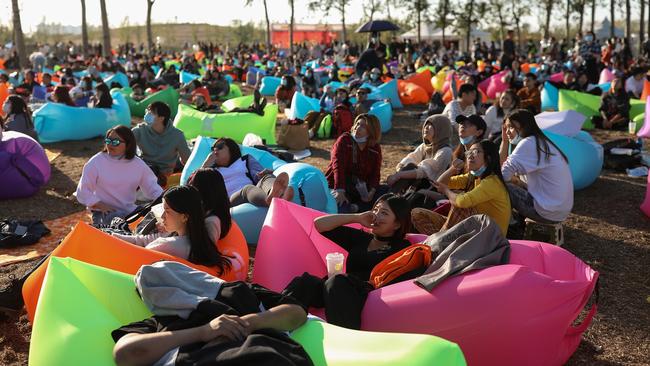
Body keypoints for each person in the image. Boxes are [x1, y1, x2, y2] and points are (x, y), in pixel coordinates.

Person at [112, 265, 310, 366]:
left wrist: (247, 322)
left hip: (266, 355)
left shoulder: (238, 291)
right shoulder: (160, 321)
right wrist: (203, 332)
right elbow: (125, 353)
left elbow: (297, 312)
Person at [282, 193, 411, 329]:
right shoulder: (362, 238)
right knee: (305, 282)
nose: (375, 215)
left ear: (397, 224)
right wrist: (357, 217)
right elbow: (319, 225)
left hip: (369, 295)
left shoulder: (403, 248)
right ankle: (273, 319)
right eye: (375, 210)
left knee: (337, 281)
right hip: (339, 289)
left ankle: (344, 339)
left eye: (383, 213)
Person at [111, 185, 233, 273]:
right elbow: (144, 240)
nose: (162, 216)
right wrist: (113, 236)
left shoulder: (168, 245)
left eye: (167, 211)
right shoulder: (198, 241)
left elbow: (132, 258)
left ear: (184, 217)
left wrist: (106, 239)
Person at [411, 140, 511, 236]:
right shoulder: (473, 177)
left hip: (490, 236)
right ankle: (442, 240)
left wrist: (446, 191)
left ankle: (440, 241)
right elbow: (440, 182)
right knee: (417, 214)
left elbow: (462, 202)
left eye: (476, 152)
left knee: (460, 205)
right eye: (468, 152)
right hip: (474, 228)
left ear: (488, 158)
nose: (470, 156)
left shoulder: (492, 182)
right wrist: (452, 169)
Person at [76, 126, 164, 226]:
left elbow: (152, 188)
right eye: (108, 141)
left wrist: (166, 202)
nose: (110, 145)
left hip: (129, 211)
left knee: (154, 219)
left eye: (115, 142)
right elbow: (82, 191)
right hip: (104, 212)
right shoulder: (96, 161)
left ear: (128, 144)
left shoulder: (138, 164)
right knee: (117, 223)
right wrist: (101, 205)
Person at [499, 109, 573, 224]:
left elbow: (502, 175)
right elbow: (505, 168)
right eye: (506, 127)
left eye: (511, 127)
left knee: (500, 186)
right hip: (559, 211)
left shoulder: (528, 143)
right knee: (515, 181)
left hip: (546, 212)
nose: (507, 131)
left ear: (524, 126)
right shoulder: (541, 141)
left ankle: (510, 225)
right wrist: (505, 141)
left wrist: (514, 181)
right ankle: (516, 221)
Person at [201, 138, 294, 207]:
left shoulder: (245, 160)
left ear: (231, 149)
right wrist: (205, 165)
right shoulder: (210, 171)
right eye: (213, 149)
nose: (215, 150)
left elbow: (258, 176)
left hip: (254, 192)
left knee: (266, 178)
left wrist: (266, 173)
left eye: (220, 146)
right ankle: (270, 201)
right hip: (230, 202)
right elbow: (194, 187)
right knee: (247, 189)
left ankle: (279, 195)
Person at [325, 114, 383, 213]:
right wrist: (340, 190)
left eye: (363, 126)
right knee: (341, 209)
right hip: (340, 186)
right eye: (357, 124)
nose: (357, 128)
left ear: (371, 131)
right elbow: (338, 166)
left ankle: (357, 207)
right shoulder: (344, 140)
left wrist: (371, 192)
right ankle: (356, 208)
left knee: (386, 193)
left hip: (360, 189)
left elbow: (375, 173)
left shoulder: (375, 148)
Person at [386, 115, 453, 195]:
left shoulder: (446, 150)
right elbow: (411, 158)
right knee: (410, 165)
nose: (426, 127)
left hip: (432, 187)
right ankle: (391, 197)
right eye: (426, 125)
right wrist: (400, 170)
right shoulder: (425, 146)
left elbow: (424, 172)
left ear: (441, 129)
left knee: (410, 168)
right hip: (418, 183)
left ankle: (389, 197)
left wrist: (399, 175)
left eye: (431, 125)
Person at [132, 101, 191, 178]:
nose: (147, 115)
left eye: (151, 113)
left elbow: (187, 160)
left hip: (165, 176)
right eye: (147, 112)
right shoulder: (139, 131)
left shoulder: (177, 135)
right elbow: (126, 149)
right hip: (143, 172)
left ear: (161, 118)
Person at [186, 168, 232, 243]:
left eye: (191, 185)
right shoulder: (199, 209)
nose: (188, 189)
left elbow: (205, 250)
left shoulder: (211, 222)